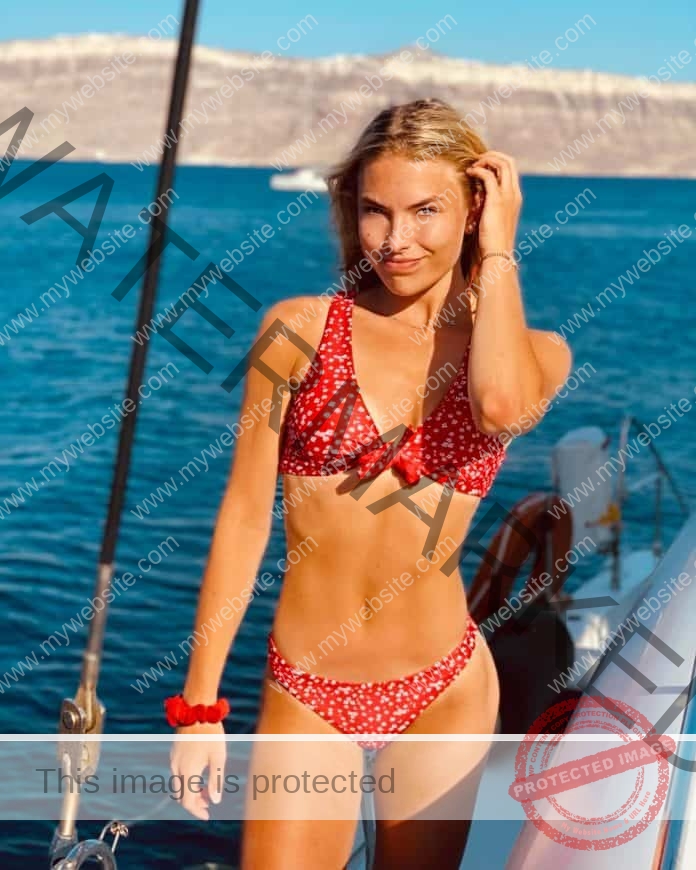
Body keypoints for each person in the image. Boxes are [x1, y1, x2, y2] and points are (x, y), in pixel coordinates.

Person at [168, 98, 572, 868]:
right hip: (309, 688)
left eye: (426, 210)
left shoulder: (538, 353)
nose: (396, 239)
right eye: (375, 210)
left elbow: (498, 405)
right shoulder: (300, 331)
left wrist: (500, 253)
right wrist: (198, 708)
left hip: (444, 691)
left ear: (476, 209)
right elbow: (246, 516)